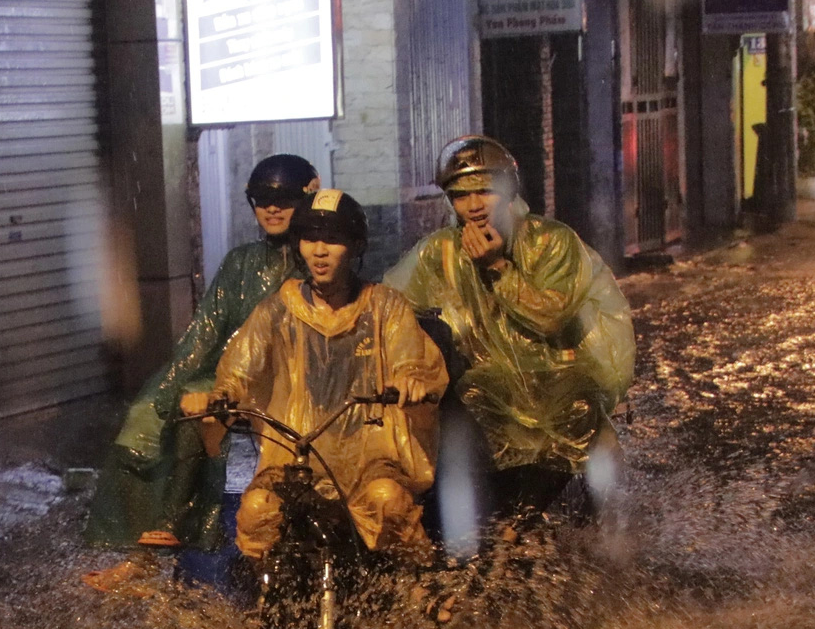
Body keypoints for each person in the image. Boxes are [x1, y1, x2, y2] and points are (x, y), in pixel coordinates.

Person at [83, 155, 319, 590]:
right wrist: (165, 391)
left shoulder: (319, 260)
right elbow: (203, 335)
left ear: (311, 194)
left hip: (300, 388)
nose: (271, 208)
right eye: (260, 200)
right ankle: (150, 549)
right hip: (234, 381)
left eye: (282, 198)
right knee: (158, 418)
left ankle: (159, 549)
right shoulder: (241, 263)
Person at [384, 135, 634, 528]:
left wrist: (499, 267)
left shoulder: (551, 241)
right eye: (462, 195)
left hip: (558, 379)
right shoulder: (440, 252)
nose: (475, 205)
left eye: (485, 191)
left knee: (587, 432)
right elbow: (392, 307)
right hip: (483, 386)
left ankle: (576, 534)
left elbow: (550, 315)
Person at [186, 190, 448, 562]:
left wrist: (410, 381)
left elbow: (411, 359)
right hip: (293, 457)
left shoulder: (386, 307)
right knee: (258, 508)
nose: (320, 251)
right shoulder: (277, 310)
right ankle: (264, 602)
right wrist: (218, 397)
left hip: (370, 457)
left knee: (389, 502)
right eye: (310, 239)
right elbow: (240, 370)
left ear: (356, 246)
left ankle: (418, 591)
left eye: (334, 240)